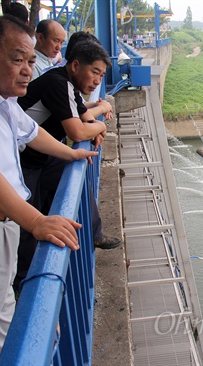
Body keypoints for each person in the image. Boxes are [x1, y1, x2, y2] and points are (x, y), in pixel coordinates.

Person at [0, 15, 98, 365]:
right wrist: (37, 222)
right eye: (17, 59)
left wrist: (74, 153)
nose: (26, 70)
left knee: (11, 326)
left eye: (31, 61)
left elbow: (33, 133)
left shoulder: (1, 102)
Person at [14, 39, 121, 289]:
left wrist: (94, 121)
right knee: (27, 222)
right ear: (75, 65)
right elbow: (77, 131)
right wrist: (101, 124)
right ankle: (24, 283)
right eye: (95, 72)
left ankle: (94, 234)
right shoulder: (57, 82)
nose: (97, 81)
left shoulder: (68, 84)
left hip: (42, 156)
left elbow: (83, 116)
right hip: (22, 161)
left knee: (76, 180)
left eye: (101, 76)